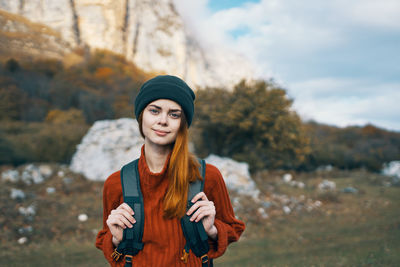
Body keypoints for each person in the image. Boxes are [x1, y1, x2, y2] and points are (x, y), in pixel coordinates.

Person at [95, 75, 245, 266]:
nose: (163, 121)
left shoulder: (207, 177)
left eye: (174, 114)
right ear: (142, 115)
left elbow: (233, 228)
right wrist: (116, 239)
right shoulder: (116, 183)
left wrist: (213, 228)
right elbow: (108, 244)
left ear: (183, 123)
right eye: (154, 111)